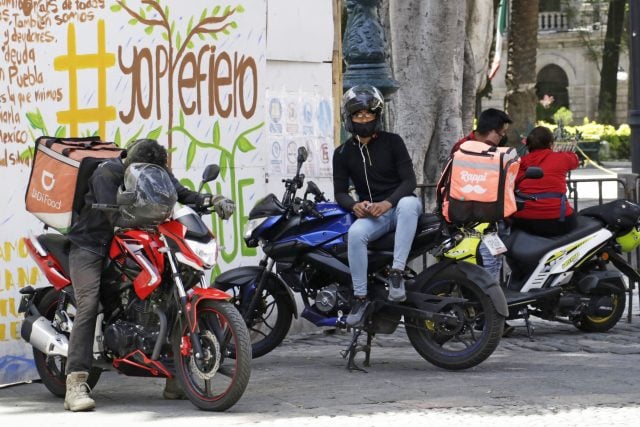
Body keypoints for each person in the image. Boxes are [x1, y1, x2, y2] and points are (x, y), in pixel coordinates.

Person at [64, 139, 235, 412]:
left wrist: (212, 200)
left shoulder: (158, 172)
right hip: (91, 244)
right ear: (130, 163)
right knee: (88, 305)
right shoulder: (108, 172)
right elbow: (114, 215)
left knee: (167, 293)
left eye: (159, 171)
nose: (154, 175)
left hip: (134, 239)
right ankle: (76, 382)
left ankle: (176, 376)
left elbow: (180, 193)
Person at [332, 84, 422, 328]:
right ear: (349, 118)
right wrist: (355, 206)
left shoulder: (393, 142)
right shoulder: (342, 153)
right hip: (374, 215)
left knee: (408, 203)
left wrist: (387, 202)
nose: (364, 119)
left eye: (369, 113)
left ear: (377, 116)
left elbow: (409, 181)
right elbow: (340, 192)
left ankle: (397, 273)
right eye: (358, 115)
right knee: (356, 233)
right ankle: (360, 298)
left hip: (400, 209)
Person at [450, 108, 513, 282]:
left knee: (494, 261)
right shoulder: (463, 149)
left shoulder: (486, 149)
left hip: (492, 218)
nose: (502, 138)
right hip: (470, 218)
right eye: (501, 134)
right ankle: (488, 303)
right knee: (485, 266)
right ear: (492, 131)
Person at [511, 126, 579, 236]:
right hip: (558, 218)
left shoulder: (519, 163)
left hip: (525, 219)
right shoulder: (562, 158)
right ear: (550, 144)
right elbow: (575, 160)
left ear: (527, 145)